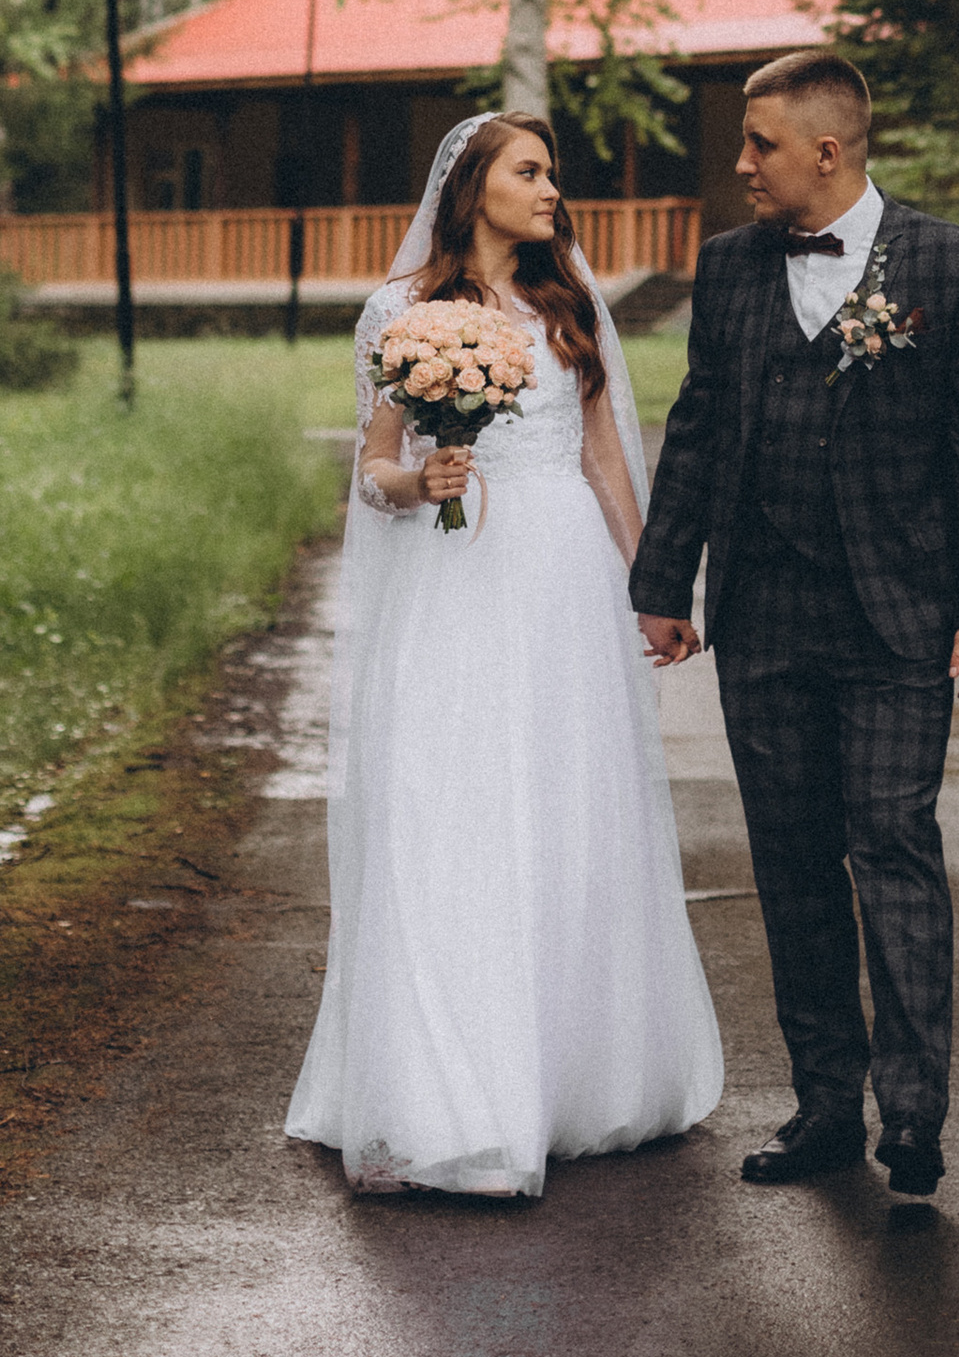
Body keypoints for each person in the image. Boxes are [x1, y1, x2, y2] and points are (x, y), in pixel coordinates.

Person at [286, 110, 724, 1199]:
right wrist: (419, 481)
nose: (550, 191)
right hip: (455, 581)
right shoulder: (399, 311)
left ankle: (578, 1076)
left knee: (570, 803)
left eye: (552, 174)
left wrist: (654, 586)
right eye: (530, 172)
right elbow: (372, 470)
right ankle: (447, 1089)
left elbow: (605, 459)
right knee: (453, 806)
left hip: (564, 580)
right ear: (472, 183)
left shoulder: (567, 305)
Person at [628, 48, 959, 1209]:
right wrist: (664, 580)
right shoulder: (729, 267)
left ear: (827, 149)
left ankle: (913, 1109)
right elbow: (698, 427)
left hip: (896, 615)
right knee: (791, 858)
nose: (741, 165)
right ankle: (822, 1108)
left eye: (758, 145)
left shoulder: (952, 265)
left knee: (891, 840)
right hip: (763, 614)